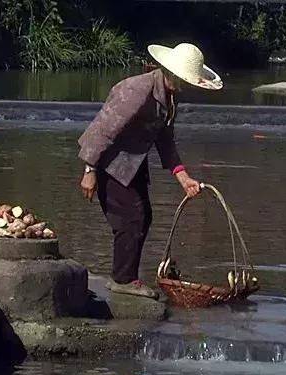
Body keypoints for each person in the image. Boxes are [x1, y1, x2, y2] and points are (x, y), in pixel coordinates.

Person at [78, 43, 223, 298]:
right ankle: (123, 280)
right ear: (170, 71)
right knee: (131, 218)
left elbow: (164, 139)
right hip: (109, 161)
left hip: (132, 162)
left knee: (143, 216)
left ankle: (126, 276)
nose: (186, 84)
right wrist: (89, 169)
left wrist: (182, 176)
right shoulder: (137, 89)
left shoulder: (169, 96)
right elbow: (103, 129)